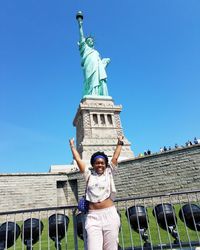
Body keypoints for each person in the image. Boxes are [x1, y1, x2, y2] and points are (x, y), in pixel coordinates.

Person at [69, 136, 124, 250]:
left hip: (109, 215)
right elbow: (79, 160)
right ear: (93, 165)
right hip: (93, 217)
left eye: (102, 163)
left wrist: (120, 142)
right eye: (97, 163)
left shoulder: (109, 172)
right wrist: (72, 147)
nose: (100, 165)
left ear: (105, 164)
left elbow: (115, 156)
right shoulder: (88, 175)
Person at [76, 12, 110, 97]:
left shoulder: (96, 52)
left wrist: (104, 62)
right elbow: (81, 36)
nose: (90, 41)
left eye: (91, 40)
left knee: (97, 79)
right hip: (89, 66)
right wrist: (80, 25)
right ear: (86, 42)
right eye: (88, 40)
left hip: (97, 67)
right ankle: (91, 93)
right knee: (89, 80)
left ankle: (97, 94)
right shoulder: (84, 48)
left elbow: (100, 64)